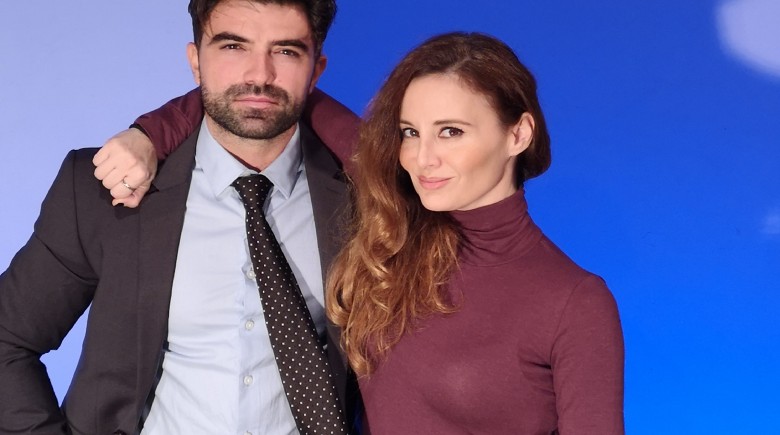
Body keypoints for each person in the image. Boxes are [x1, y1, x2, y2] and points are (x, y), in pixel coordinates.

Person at [110, 32, 625, 434]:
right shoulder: (396, 220)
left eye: (451, 132)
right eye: (410, 132)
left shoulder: (574, 302)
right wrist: (149, 135)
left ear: (519, 133)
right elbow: (271, 97)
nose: (423, 158)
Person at [0, 0, 362, 434]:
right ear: (195, 61)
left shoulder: (367, 201)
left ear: (316, 69)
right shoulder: (100, 191)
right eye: (233, 47)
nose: (259, 75)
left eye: (286, 51)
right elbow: (8, 338)